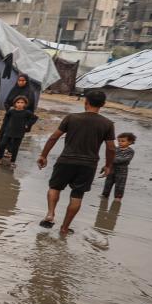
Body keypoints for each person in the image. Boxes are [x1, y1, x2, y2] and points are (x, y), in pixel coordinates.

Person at [36, 90, 116, 236]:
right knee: (77, 195)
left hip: (66, 160)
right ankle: (64, 228)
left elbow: (54, 137)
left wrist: (43, 155)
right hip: (88, 165)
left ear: (86, 102)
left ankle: (50, 214)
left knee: (55, 187)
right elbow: (111, 148)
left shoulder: (72, 118)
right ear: (103, 104)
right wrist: (108, 165)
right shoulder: (107, 124)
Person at [0, 95, 37, 166]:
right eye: (18, 102)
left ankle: (12, 162)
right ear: (15, 103)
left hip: (19, 132)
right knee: (3, 144)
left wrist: (27, 124)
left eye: (22, 102)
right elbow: (6, 119)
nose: (20, 104)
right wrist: (4, 128)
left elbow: (34, 118)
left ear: (25, 104)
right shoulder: (11, 111)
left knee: (15, 147)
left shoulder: (27, 112)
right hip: (9, 131)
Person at [101, 132, 136, 201]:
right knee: (108, 183)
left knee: (120, 185)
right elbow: (110, 158)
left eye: (123, 141)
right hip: (111, 169)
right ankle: (105, 195)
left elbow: (125, 159)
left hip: (122, 171)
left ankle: (118, 198)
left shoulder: (130, 151)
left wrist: (112, 159)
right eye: (119, 141)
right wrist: (105, 166)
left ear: (130, 142)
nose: (120, 142)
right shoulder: (115, 149)